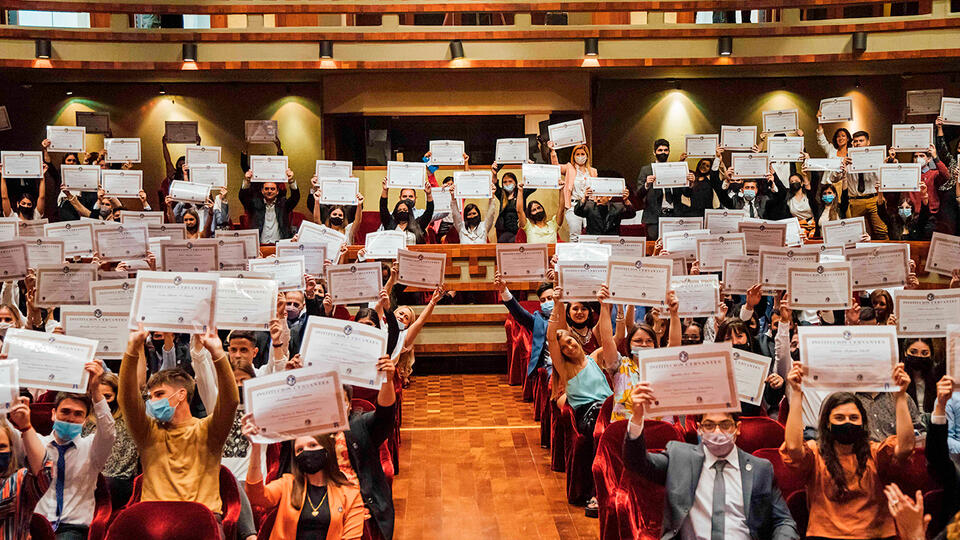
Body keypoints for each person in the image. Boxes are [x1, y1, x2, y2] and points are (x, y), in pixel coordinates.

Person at [623, 383, 799, 540]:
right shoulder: (680, 457)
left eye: (724, 425)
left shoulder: (761, 469)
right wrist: (637, 418)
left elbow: (783, 521)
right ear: (699, 429)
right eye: (709, 425)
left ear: (737, 428)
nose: (717, 432)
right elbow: (636, 463)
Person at [781, 361, 915, 539]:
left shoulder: (874, 452)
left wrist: (900, 395)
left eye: (853, 417)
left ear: (862, 422)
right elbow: (793, 447)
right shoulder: (815, 453)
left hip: (874, 535)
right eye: (839, 417)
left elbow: (905, 447)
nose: (847, 422)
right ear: (828, 424)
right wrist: (796, 393)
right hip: (826, 535)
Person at [119, 325, 239, 520]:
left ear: (181, 394)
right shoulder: (147, 431)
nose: (152, 401)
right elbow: (126, 400)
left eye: (159, 395)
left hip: (201, 521)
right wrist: (131, 349)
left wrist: (218, 353)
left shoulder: (208, 429)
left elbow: (230, 401)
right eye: (151, 396)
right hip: (156, 521)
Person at [546, 284, 615, 516]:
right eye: (564, 346)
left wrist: (607, 307)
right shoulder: (565, 370)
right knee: (600, 430)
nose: (569, 345)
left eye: (570, 341)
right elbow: (551, 339)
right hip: (588, 413)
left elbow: (612, 336)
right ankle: (596, 493)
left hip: (610, 409)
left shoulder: (595, 357)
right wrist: (558, 303)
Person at [36, 361, 116, 539]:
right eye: (65, 412)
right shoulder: (37, 444)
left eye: (78, 414)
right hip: (35, 526)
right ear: (53, 414)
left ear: (86, 420)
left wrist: (95, 390)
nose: (71, 418)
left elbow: (109, 431)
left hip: (72, 529)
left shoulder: (92, 448)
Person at [243, 430, 366, 540]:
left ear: (327, 449)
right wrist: (256, 448)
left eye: (313, 445)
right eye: (299, 450)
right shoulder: (287, 484)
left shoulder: (350, 494)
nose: (306, 451)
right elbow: (256, 495)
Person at [0, 396, 54, 540]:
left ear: (12, 449)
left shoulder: (19, 482)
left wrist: (26, 427)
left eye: (2, 447)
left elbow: (45, 472)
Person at [92, 373, 140, 511]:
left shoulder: (130, 419)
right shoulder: (86, 421)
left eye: (107, 397)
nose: (103, 402)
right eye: (98, 397)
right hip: (91, 479)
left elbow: (140, 386)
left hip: (119, 480)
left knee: (106, 483)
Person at [495, 273, 555, 379]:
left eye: (550, 298)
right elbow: (519, 313)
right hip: (550, 367)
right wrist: (504, 290)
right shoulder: (538, 319)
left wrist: (558, 280)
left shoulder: (569, 315)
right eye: (543, 300)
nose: (547, 302)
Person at [549, 142, 597, 242]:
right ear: (573, 156)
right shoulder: (569, 168)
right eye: (577, 154)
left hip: (590, 206)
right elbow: (555, 167)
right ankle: (574, 257)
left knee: (590, 235)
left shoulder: (593, 171)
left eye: (582, 154)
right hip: (573, 205)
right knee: (575, 234)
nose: (580, 157)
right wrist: (553, 151)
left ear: (587, 156)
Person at [239, 167, 300, 244]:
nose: (269, 191)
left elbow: (295, 197)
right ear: (262, 191)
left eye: (272, 189)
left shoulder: (283, 205)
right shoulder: (254, 204)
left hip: (279, 245)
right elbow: (242, 197)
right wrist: (247, 181)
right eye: (266, 189)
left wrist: (291, 180)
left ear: (277, 191)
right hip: (260, 245)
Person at [635, 139, 680, 241]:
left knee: (672, 247)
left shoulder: (675, 168)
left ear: (669, 151)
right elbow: (638, 195)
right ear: (654, 152)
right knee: (653, 247)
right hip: (653, 216)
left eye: (666, 150)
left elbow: (686, 193)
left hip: (673, 215)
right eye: (660, 150)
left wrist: (690, 183)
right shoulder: (646, 170)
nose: (663, 152)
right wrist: (647, 184)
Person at [378, 178, 434, 245]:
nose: (402, 212)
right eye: (399, 210)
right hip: (394, 254)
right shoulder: (389, 223)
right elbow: (383, 207)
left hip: (413, 254)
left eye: (405, 210)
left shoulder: (417, 224)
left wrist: (429, 194)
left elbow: (429, 212)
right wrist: (385, 190)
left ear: (409, 212)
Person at [516, 177, 565, 244]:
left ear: (543, 209)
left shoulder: (553, 224)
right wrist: (520, 190)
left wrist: (561, 190)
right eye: (534, 210)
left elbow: (561, 209)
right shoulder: (528, 226)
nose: (537, 211)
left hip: (551, 254)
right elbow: (519, 211)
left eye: (539, 208)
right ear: (530, 214)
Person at [490, 168, 533, 243]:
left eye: (510, 181)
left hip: (520, 228)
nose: (507, 184)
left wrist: (530, 168)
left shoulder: (521, 192)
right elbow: (494, 184)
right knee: (502, 242)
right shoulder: (502, 195)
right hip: (504, 230)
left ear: (515, 183)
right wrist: (494, 173)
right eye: (505, 182)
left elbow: (533, 187)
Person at [572, 186, 636, 236]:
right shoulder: (590, 206)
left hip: (612, 242)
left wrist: (626, 200)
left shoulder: (618, 207)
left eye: (601, 196)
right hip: (594, 242)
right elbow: (577, 211)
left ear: (609, 197)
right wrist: (584, 198)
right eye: (596, 196)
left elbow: (632, 214)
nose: (598, 199)